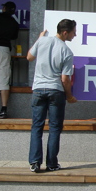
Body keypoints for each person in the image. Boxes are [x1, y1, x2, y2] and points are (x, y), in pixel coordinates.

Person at [27, 19, 78, 173]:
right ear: (65, 33)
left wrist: (39, 39)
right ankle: (51, 163)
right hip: (56, 91)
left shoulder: (42, 41)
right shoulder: (67, 52)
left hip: (38, 89)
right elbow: (65, 79)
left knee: (37, 126)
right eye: (73, 32)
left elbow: (29, 57)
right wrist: (69, 96)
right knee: (54, 128)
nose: (75, 35)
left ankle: (35, 162)